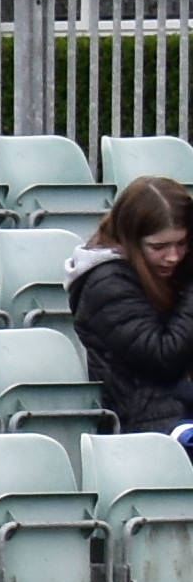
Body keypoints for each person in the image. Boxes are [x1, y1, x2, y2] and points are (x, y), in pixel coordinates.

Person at [71, 174, 193, 434]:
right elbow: (164, 357)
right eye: (159, 246)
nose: (173, 257)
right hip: (144, 423)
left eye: (181, 243)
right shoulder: (107, 283)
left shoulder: (179, 271)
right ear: (130, 241)